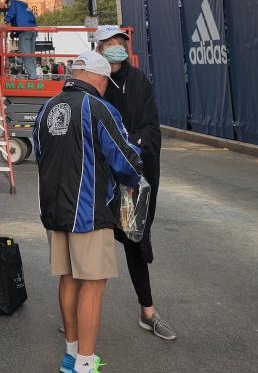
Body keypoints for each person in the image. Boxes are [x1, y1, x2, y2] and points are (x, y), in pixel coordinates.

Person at [33, 50, 143, 373]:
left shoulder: (46, 108)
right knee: (93, 286)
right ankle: (85, 363)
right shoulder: (98, 108)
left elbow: (41, 155)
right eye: (105, 81)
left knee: (68, 280)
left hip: (55, 211)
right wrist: (138, 166)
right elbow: (125, 160)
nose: (106, 86)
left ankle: (71, 355)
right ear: (97, 78)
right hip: (90, 211)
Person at [94, 24, 176, 342]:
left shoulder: (139, 80)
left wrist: (128, 148)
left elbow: (151, 129)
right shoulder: (95, 81)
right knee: (91, 239)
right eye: (110, 42)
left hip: (133, 175)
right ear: (98, 47)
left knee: (133, 238)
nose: (116, 46)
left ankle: (148, 311)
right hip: (101, 177)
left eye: (120, 42)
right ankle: (78, 315)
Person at [3, 0, 38, 76]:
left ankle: (33, 77)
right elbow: (21, 20)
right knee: (31, 55)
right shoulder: (24, 7)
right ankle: (34, 74)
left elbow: (11, 13)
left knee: (26, 56)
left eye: (8, 6)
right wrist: (14, 32)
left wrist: (5, 21)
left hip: (24, 32)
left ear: (9, 2)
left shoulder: (13, 3)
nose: (8, 8)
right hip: (33, 31)